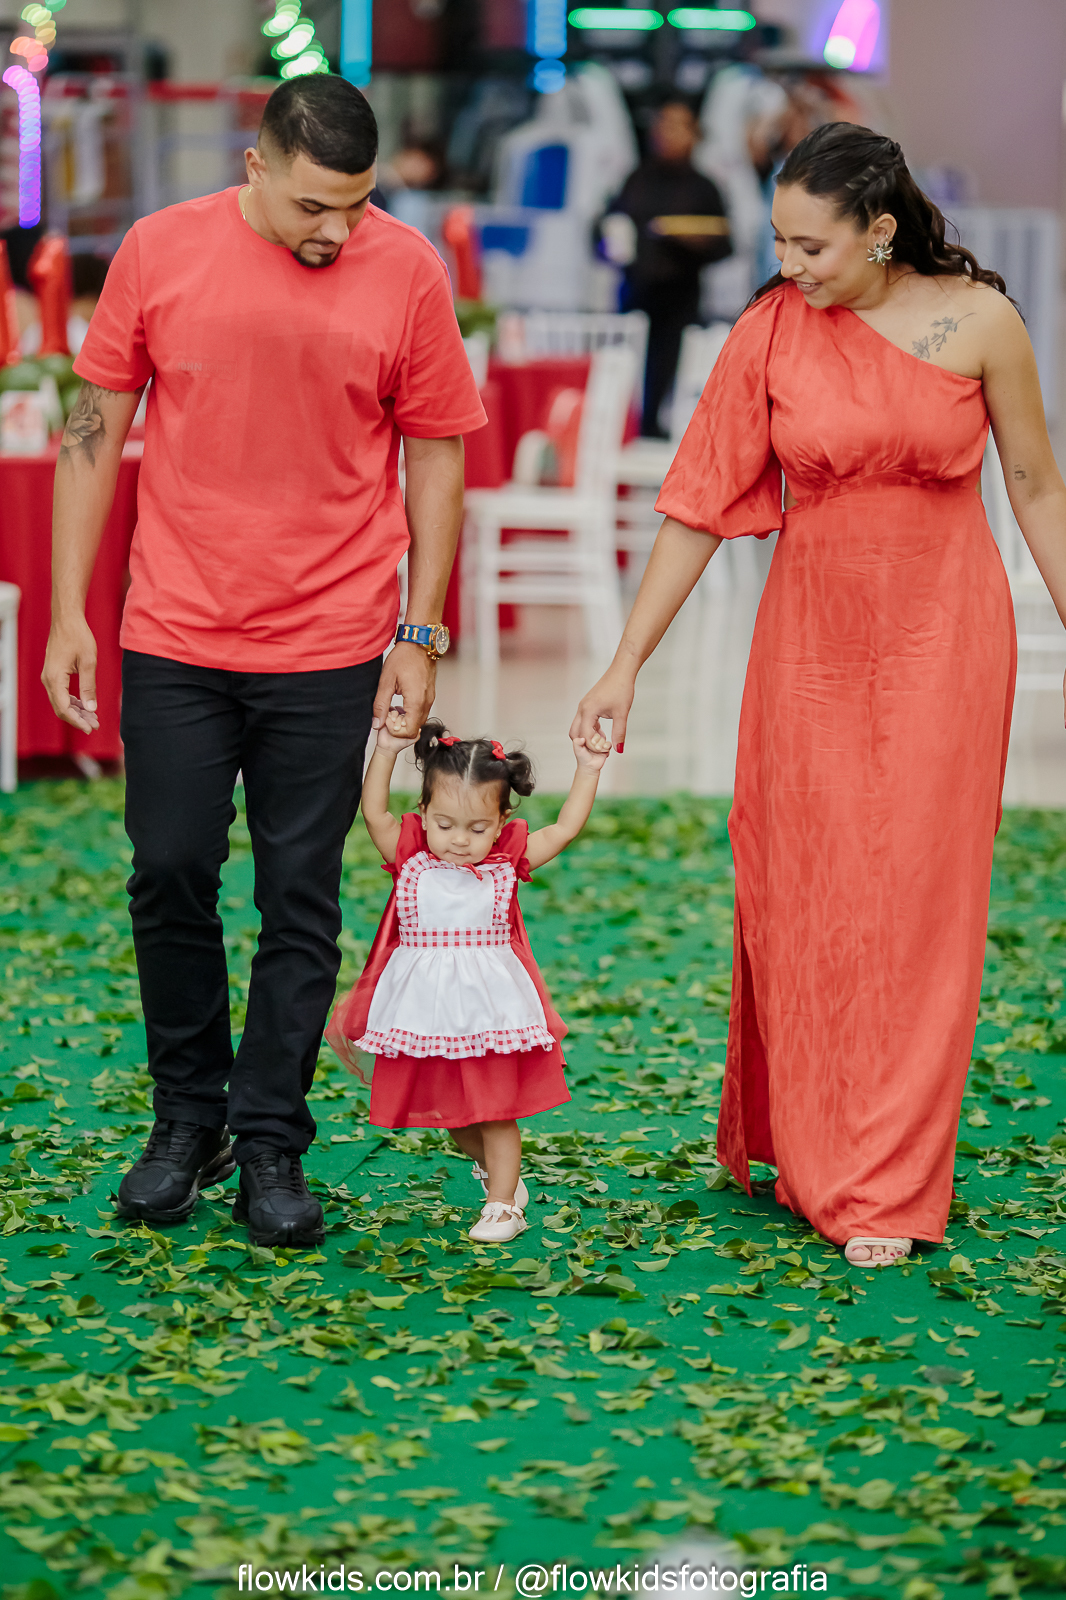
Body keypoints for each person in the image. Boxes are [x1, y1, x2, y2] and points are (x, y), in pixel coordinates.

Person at [572, 122, 1066, 1266]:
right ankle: (813, 1141)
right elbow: (697, 504)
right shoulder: (768, 331)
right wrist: (623, 662)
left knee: (917, 907)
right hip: (809, 648)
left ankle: (884, 1183)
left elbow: (1036, 488)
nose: (787, 265)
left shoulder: (980, 322)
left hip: (944, 638)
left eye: (811, 246)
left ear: (880, 231)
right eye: (779, 242)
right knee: (804, 894)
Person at [41, 76, 486, 1247]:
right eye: (310, 205)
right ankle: (186, 1118)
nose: (334, 230)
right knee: (169, 869)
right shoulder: (158, 249)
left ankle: (271, 1136)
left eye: (355, 204)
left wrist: (419, 630)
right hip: (176, 630)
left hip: (331, 639)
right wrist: (69, 611)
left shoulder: (407, 271)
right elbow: (92, 428)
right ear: (256, 166)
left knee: (300, 894)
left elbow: (437, 454)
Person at [325, 713, 609, 1242]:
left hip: (490, 1010)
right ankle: (503, 1177)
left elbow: (564, 828)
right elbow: (373, 811)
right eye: (445, 825)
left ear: (501, 821)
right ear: (423, 813)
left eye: (477, 829)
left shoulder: (506, 861)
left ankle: (503, 1205)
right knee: (454, 1117)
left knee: (495, 1110)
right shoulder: (410, 856)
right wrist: (385, 748)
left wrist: (588, 768)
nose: (459, 840)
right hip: (425, 1013)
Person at [601, 99, 732, 437]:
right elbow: (609, 225)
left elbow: (724, 243)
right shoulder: (636, 180)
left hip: (680, 295)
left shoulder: (704, 187)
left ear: (694, 134)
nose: (667, 133)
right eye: (662, 125)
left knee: (670, 369)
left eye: (677, 126)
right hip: (634, 291)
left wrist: (688, 239)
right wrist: (609, 241)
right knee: (623, 366)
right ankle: (622, 429)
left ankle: (656, 429)